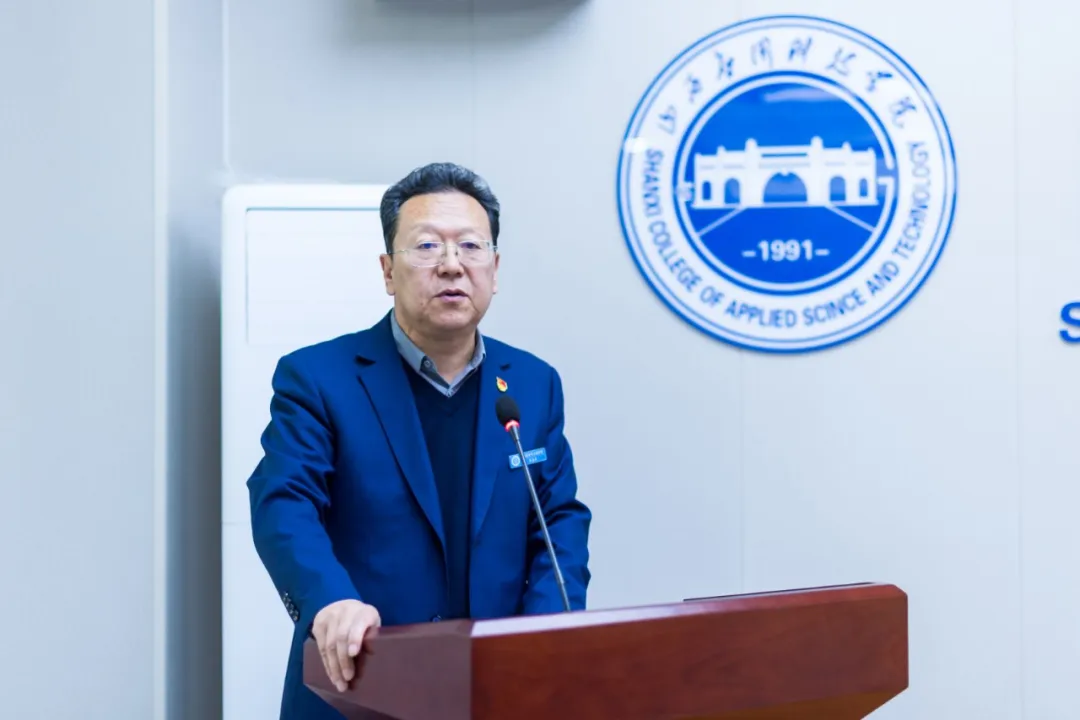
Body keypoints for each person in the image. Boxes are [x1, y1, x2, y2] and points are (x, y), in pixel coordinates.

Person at [246, 162, 593, 720]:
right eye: (428, 246)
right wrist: (329, 600)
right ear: (388, 271)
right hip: (360, 686)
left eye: (471, 246)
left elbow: (558, 520)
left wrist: (546, 632)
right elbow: (284, 503)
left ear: (495, 268)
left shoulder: (532, 384)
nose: (452, 264)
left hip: (500, 690)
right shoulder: (319, 378)